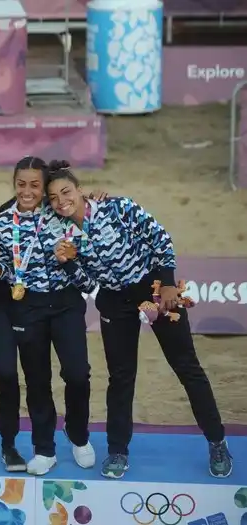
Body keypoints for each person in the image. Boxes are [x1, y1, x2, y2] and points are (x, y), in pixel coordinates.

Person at [45, 162, 233, 479]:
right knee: (121, 377)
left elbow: (161, 239)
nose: (62, 201)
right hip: (114, 302)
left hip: (155, 289)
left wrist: (168, 283)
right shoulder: (62, 234)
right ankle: (118, 451)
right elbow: (88, 284)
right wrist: (67, 264)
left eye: (66, 192)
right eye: (53, 198)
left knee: (186, 366)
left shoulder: (118, 207)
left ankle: (217, 441)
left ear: (79, 189)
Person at [0, 157, 97, 476]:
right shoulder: (2, 221)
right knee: (37, 380)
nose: (27, 191)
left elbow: (87, 274)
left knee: (78, 374)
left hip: (66, 303)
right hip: (27, 305)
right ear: (14, 184)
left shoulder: (61, 212)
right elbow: (7, 267)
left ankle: (78, 434)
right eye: (21, 184)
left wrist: (69, 262)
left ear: (44, 185)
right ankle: (44, 448)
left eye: (35, 185)